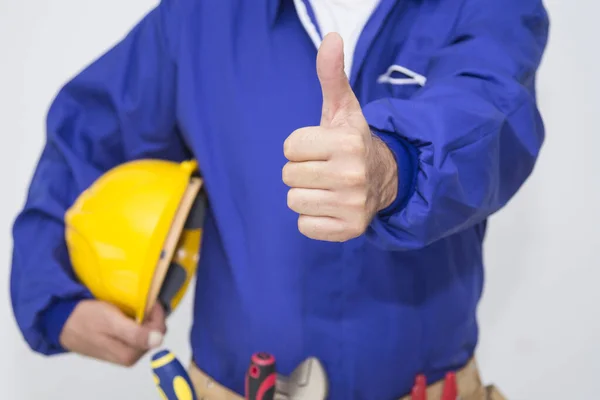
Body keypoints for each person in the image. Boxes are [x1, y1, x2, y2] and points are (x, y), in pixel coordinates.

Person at [10, 0, 549, 399]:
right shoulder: (200, 18)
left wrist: (395, 166)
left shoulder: (486, 7)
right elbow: (88, 137)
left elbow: (493, 114)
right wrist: (53, 297)